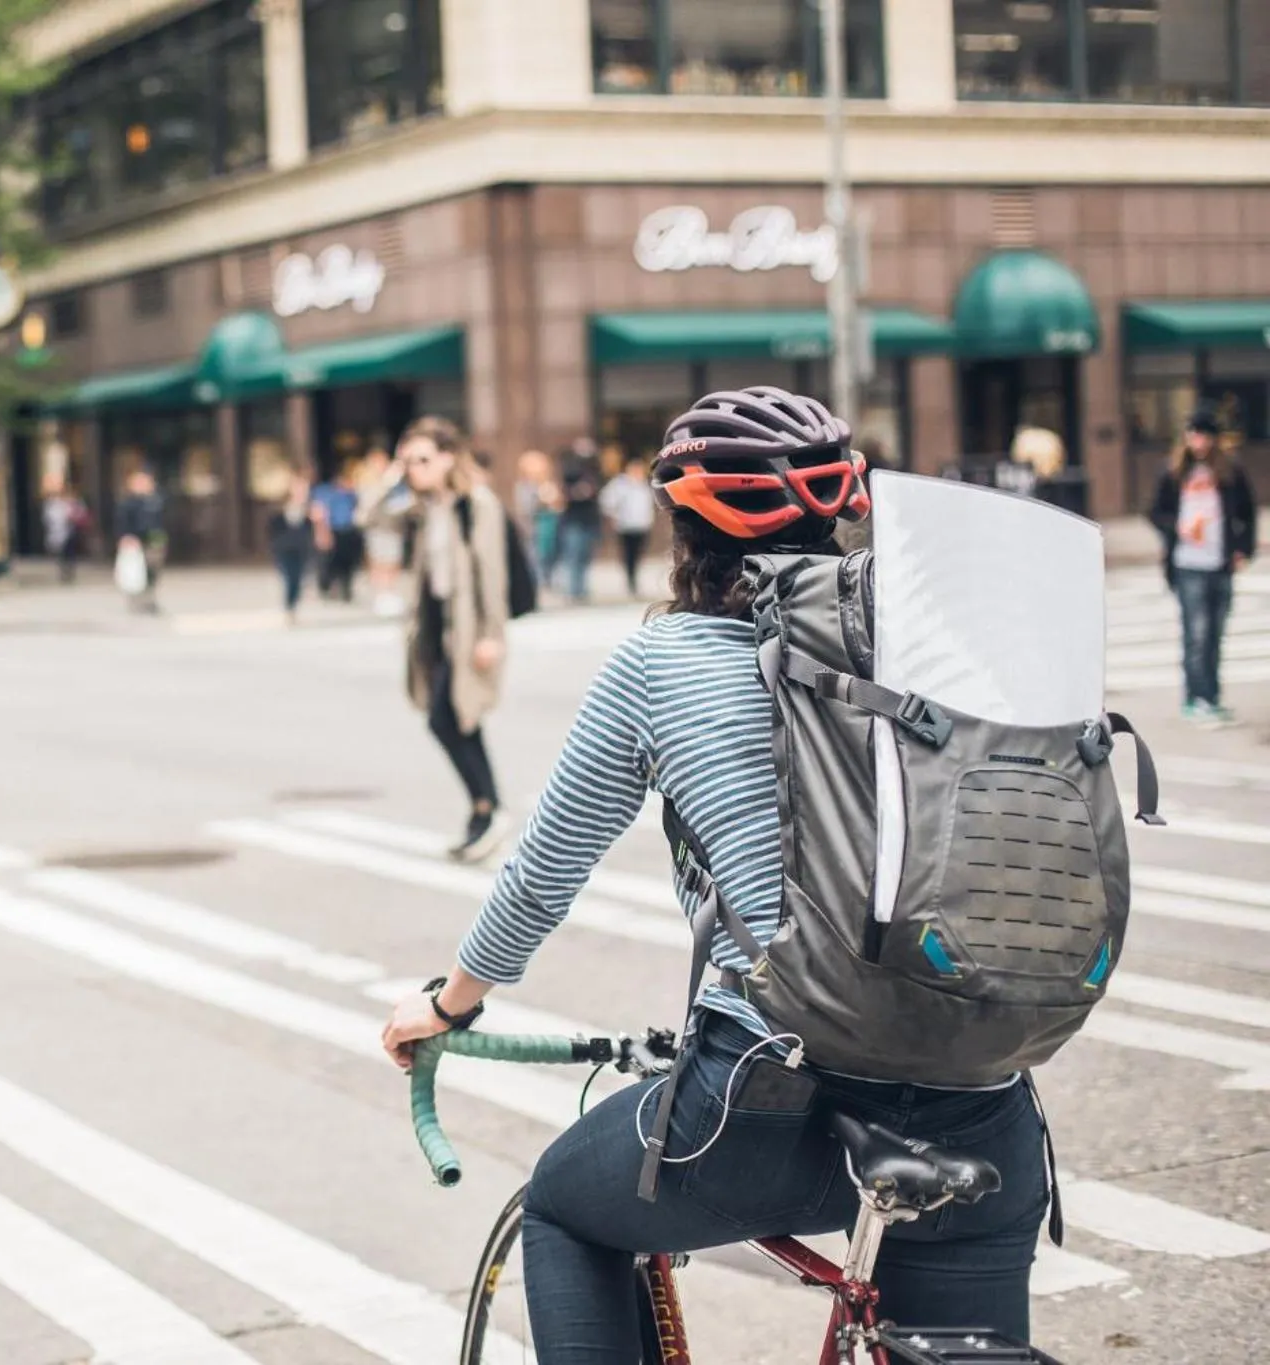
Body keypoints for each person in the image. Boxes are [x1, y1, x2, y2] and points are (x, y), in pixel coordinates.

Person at [380, 387, 1049, 1364]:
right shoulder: (936, 639)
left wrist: (449, 1004)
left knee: (565, 1211)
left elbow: (541, 876)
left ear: (680, 519)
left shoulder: (662, 660)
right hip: (984, 1104)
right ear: (847, 501)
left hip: (764, 1108)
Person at [359, 416, 513, 861]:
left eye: (423, 459)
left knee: (446, 719)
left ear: (449, 458)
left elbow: (493, 573)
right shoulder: (421, 506)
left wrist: (492, 635)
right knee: (458, 719)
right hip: (434, 630)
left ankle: (489, 806)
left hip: (468, 632)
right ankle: (484, 810)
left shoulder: (476, 504)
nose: (414, 469)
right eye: (408, 461)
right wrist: (392, 476)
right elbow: (367, 518)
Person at [1149, 408, 1257, 726]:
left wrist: (1242, 549)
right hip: (1187, 563)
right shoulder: (1173, 472)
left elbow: (1247, 513)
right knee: (1196, 633)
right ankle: (1194, 698)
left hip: (1219, 562)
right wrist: (1176, 529)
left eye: (1204, 435)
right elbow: (1155, 512)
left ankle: (1211, 697)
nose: (1198, 441)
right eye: (1193, 434)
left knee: (1216, 634)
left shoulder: (1230, 472)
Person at [357, 446, 407, 617]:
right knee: (379, 562)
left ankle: (390, 593)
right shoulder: (368, 481)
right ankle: (380, 595)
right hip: (377, 528)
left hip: (393, 527)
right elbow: (368, 502)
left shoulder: (397, 481)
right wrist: (387, 481)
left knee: (393, 562)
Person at [554, 440, 604, 604]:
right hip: (574, 519)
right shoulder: (571, 468)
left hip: (589, 519)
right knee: (573, 555)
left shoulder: (595, 468)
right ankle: (573, 590)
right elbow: (564, 491)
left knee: (584, 556)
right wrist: (577, 492)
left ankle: (581, 589)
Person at [599, 452, 655, 597]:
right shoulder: (620, 484)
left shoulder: (645, 484)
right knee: (629, 554)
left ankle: (635, 579)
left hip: (642, 524)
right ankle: (631, 581)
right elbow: (607, 501)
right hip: (625, 525)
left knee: (638, 553)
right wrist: (614, 516)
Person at [114, 466, 167, 614]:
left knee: (152, 572)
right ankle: (137, 601)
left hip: (154, 540)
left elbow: (160, 521)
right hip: (135, 541)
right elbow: (122, 522)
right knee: (136, 572)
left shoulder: (155, 501)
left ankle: (149, 600)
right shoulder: (128, 503)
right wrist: (125, 536)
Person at [268, 471, 316, 625]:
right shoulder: (280, 507)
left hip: (301, 549)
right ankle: (289, 608)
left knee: (299, 579)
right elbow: (273, 528)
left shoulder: (311, 508)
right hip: (285, 549)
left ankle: (293, 606)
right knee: (289, 578)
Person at [311, 464, 362, 602]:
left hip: (348, 530)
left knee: (347, 563)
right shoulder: (325, 492)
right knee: (329, 563)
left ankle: (346, 589)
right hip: (331, 530)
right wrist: (322, 531)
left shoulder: (350, 494)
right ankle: (327, 587)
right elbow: (318, 512)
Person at [516, 450, 562, 591]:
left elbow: (558, 505)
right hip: (533, 527)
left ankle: (549, 580)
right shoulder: (524, 486)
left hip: (551, 524)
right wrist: (540, 500)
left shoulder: (549, 484)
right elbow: (525, 508)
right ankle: (538, 582)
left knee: (551, 554)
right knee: (536, 556)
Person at [40, 474, 88, 585]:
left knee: (70, 552)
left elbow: (81, 512)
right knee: (62, 552)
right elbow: (49, 517)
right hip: (59, 531)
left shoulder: (73, 500)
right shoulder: (52, 502)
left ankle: (69, 570)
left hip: (71, 530)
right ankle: (64, 570)